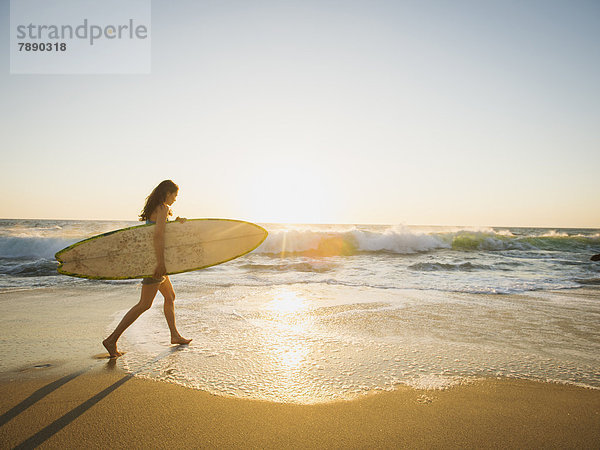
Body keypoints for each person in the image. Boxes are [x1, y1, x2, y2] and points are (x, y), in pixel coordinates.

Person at [102, 180, 192, 358]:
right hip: (154, 262)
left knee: (170, 296)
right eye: (175, 195)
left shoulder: (157, 208)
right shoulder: (163, 208)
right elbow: (158, 236)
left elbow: (159, 231)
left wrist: (176, 223)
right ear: (168, 193)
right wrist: (160, 263)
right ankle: (111, 340)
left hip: (152, 259)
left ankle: (174, 335)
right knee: (144, 304)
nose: (175, 199)